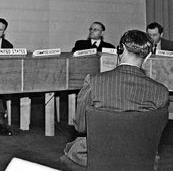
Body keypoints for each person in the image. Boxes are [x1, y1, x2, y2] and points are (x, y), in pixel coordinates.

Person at [64, 30, 169, 167]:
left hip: (96, 156)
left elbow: (81, 126)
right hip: (141, 158)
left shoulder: (94, 81)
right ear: (148, 55)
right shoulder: (161, 91)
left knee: (71, 148)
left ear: (120, 49)